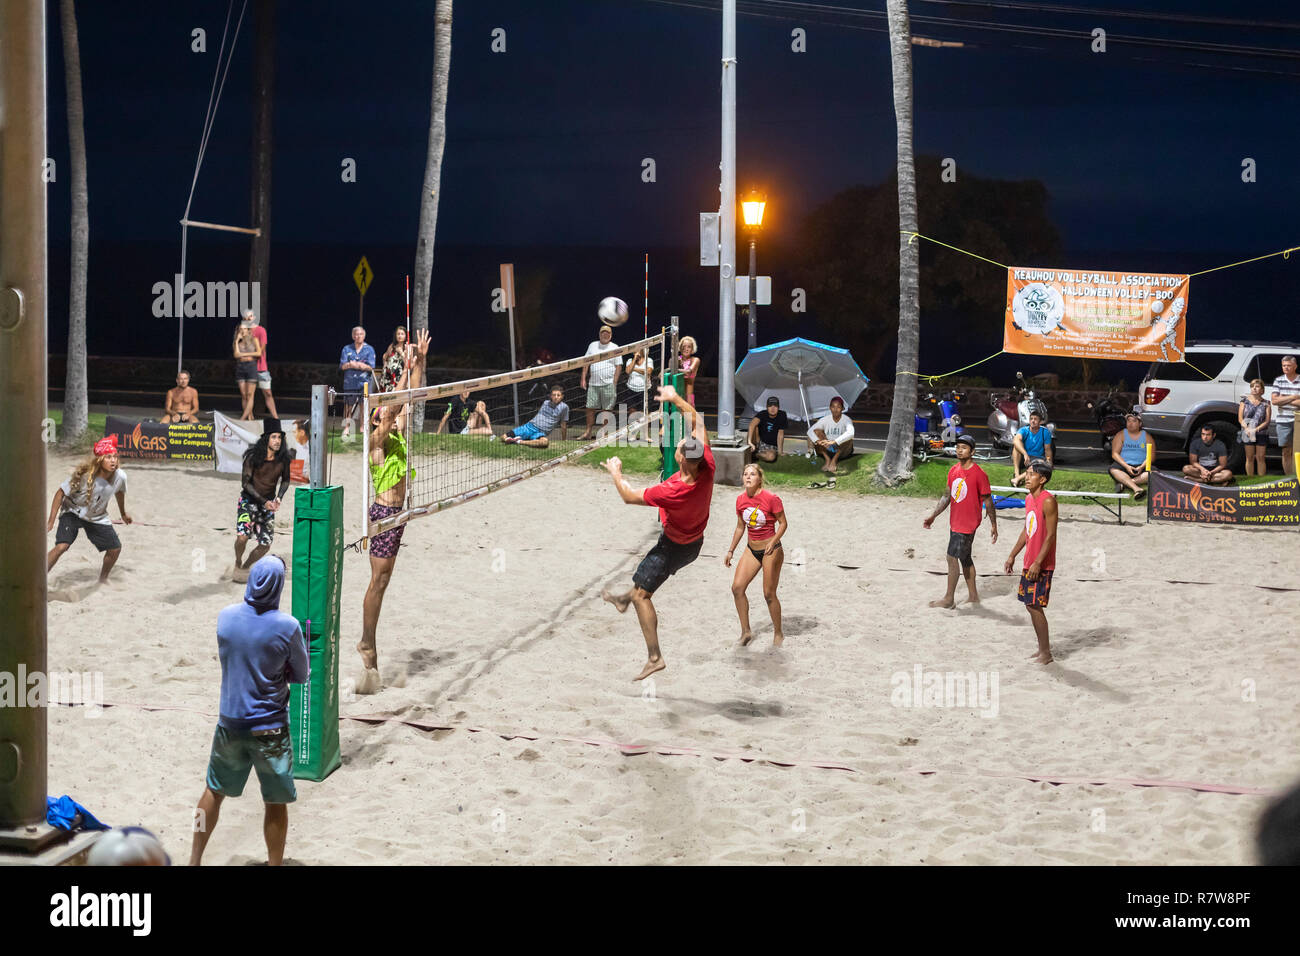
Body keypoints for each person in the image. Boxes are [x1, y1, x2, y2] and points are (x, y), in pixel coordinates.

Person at [190, 555, 309, 867]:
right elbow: (302, 674)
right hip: (270, 727)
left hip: (230, 723)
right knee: (275, 801)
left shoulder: (226, 617)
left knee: (213, 791)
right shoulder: (288, 626)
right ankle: (274, 864)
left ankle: (194, 860)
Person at [601, 384, 713, 681]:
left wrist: (616, 473)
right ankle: (624, 601)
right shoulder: (707, 465)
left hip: (674, 547)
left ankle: (655, 658)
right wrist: (676, 399)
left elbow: (628, 496)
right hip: (693, 543)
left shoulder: (672, 490)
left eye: (681, 444)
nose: (682, 442)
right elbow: (698, 422)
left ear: (682, 459)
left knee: (643, 595)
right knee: (641, 584)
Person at [358, 329, 429, 695]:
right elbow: (397, 405)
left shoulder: (396, 432)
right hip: (384, 516)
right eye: (383, 412)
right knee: (378, 582)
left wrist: (419, 363)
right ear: (376, 419)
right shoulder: (376, 440)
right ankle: (367, 643)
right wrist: (403, 373)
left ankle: (368, 645)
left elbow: (410, 396)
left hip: (398, 516)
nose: (389, 413)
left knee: (384, 582)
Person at [922, 434, 997, 608]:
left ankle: (949, 599)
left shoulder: (979, 474)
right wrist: (933, 516)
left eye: (964, 448)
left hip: (968, 524)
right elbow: (947, 496)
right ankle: (973, 596)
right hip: (955, 521)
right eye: (957, 447)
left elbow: (988, 500)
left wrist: (994, 524)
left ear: (972, 452)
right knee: (965, 558)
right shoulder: (953, 471)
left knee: (951, 557)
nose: (959, 450)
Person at [47, 435, 131, 583]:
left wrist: (123, 514)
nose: (113, 460)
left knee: (115, 549)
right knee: (62, 546)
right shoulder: (85, 476)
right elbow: (60, 493)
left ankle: (103, 580)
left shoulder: (121, 476)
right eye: (108, 457)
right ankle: (37, 577)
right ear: (100, 460)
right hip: (72, 512)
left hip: (96, 517)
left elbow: (119, 492)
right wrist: (51, 522)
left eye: (115, 457)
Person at [724, 463, 787, 646]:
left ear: (760, 479)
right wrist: (731, 550)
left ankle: (778, 633)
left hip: (771, 550)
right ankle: (746, 632)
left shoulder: (771, 498)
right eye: (745, 474)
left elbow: (783, 523)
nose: (748, 477)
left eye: (752, 474)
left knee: (768, 594)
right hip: (751, 549)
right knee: (737, 588)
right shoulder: (740, 500)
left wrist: (773, 542)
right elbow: (740, 527)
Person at [1004, 459, 1057, 665]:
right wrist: (1013, 555)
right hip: (1029, 560)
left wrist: (1038, 562)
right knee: (1029, 604)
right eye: (1026, 474)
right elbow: (1028, 529)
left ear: (1042, 479)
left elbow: (1050, 535)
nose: (1027, 478)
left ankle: (1046, 653)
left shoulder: (1048, 501)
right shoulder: (1028, 499)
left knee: (1034, 605)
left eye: (1032, 474)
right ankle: (1042, 649)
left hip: (1041, 563)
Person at [233, 419, 292, 583]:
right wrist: (263, 501)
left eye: (279, 437)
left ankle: (245, 566)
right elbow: (245, 483)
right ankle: (238, 561)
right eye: (274, 437)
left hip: (268, 506)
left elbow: (286, 480)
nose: (277, 441)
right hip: (248, 502)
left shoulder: (283, 459)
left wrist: (279, 497)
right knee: (242, 538)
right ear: (266, 439)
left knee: (265, 544)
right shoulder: (253, 458)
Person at [578, 324, 621, 440]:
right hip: (593, 384)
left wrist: (614, 382)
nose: (605, 335)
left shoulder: (615, 347)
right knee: (589, 408)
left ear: (611, 335)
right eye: (603, 333)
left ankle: (604, 433)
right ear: (599, 334)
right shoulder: (592, 345)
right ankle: (588, 432)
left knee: (607, 409)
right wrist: (583, 378)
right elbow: (586, 362)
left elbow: (618, 366)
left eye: (608, 333)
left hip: (609, 384)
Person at [339, 326, 377, 438]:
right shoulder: (346, 349)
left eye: (360, 334)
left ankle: (362, 426)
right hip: (350, 382)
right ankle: (347, 427)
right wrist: (356, 365)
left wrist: (356, 365)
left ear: (364, 335)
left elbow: (371, 367)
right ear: (353, 336)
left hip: (364, 382)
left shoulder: (369, 349)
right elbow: (343, 366)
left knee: (364, 405)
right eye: (356, 334)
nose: (358, 336)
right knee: (348, 406)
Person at [501, 386, 569, 447]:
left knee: (544, 442)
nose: (556, 397)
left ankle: (518, 441)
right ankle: (520, 439)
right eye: (554, 395)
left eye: (558, 395)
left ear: (562, 396)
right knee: (503, 437)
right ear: (551, 396)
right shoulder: (546, 403)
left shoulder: (564, 407)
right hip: (530, 427)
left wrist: (564, 440)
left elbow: (563, 425)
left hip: (540, 433)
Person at [1108, 411, 1155, 498]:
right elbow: (1115, 454)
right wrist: (1126, 466)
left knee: (1154, 473)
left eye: (1134, 421)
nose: (1130, 423)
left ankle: (1125, 483)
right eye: (1128, 421)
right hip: (1124, 465)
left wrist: (1141, 467)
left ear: (1140, 424)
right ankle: (1137, 489)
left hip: (1141, 466)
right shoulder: (1121, 434)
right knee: (1113, 469)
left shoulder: (1147, 436)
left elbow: (1151, 456)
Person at [245, 310, 279, 419]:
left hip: (261, 368)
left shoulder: (261, 330)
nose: (248, 318)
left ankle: (276, 418)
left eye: (250, 316)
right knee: (249, 395)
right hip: (249, 368)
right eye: (246, 317)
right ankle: (250, 418)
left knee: (268, 393)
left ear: (254, 317)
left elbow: (261, 350)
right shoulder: (244, 331)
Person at [807, 396, 855, 473]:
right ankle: (827, 459)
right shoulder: (825, 419)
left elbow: (851, 433)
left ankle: (834, 460)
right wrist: (818, 441)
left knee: (848, 438)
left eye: (838, 407)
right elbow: (810, 431)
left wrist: (834, 441)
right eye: (833, 407)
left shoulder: (846, 420)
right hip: (828, 448)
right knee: (816, 431)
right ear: (830, 408)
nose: (835, 409)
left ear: (842, 408)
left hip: (842, 451)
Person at [1270, 354, 1300, 475]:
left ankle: (1298, 477)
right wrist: (1293, 397)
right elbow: (1274, 401)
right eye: (1284, 365)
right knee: (1286, 451)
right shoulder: (1278, 380)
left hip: (1298, 420)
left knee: (1298, 451)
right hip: (1283, 422)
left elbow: (1279, 400)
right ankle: (1289, 478)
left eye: (1289, 365)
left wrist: (1283, 398)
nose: (1286, 367)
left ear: (1295, 366)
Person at [1011, 410, 1053, 486]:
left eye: (1035, 419)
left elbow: (1048, 450)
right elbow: (1015, 440)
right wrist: (1025, 454)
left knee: (1041, 464)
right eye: (1031, 419)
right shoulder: (1024, 430)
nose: (1033, 421)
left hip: (1038, 459)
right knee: (1016, 447)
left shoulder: (1045, 432)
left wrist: (1049, 461)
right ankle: (1016, 473)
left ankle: (1017, 479)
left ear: (1040, 422)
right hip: (1024, 458)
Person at [1239, 379, 1272, 476]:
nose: (1254, 388)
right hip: (1248, 432)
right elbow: (1240, 418)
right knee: (1249, 457)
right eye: (1252, 386)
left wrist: (1255, 429)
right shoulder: (1244, 402)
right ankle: (1251, 480)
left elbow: (1267, 421)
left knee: (1260, 457)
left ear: (1262, 390)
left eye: (1257, 386)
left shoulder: (1266, 403)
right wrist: (1247, 429)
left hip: (1261, 433)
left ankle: (1261, 481)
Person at [233, 317, 261, 421]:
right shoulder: (237, 342)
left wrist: (243, 354)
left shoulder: (254, 340)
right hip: (240, 367)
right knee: (244, 395)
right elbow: (236, 355)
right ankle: (249, 416)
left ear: (248, 330)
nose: (242, 331)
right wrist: (237, 340)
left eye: (244, 329)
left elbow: (258, 353)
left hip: (251, 366)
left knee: (250, 394)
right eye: (240, 329)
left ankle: (243, 418)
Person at [746, 395, 788, 463]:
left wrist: (780, 452)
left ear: (778, 407)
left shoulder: (782, 415)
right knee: (755, 426)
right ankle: (752, 448)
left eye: (775, 406)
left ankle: (755, 455)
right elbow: (752, 425)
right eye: (770, 406)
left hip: (771, 446)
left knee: (771, 457)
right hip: (759, 442)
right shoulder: (762, 413)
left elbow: (780, 434)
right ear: (767, 407)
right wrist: (749, 442)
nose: (772, 408)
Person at [379, 325, 413, 393]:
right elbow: (385, 357)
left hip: (400, 378)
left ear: (406, 336)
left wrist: (401, 353)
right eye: (398, 334)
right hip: (388, 378)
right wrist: (385, 365)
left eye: (402, 334)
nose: (400, 336)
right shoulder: (392, 346)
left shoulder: (408, 347)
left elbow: (409, 363)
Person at [678, 336, 700, 407]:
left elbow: (688, 372)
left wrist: (676, 369)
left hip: (689, 396)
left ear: (692, 349)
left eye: (689, 347)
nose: (686, 349)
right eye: (684, 346)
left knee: (689, 412)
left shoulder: (695, 360)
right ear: (680, 348)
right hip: (677, 394)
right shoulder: (676, 359)